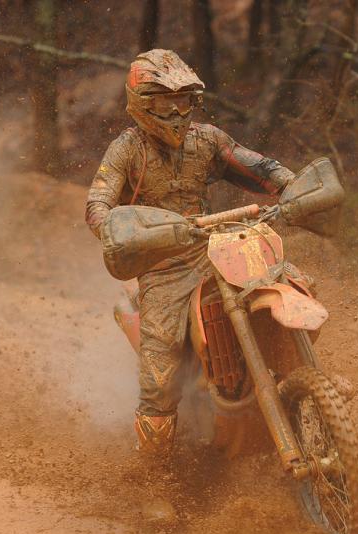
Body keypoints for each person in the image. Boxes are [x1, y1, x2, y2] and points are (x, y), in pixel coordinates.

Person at [85, 50, 294, 491]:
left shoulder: (207, 140)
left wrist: (294, 187)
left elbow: (257, 166)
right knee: (161, 371)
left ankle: (306, 389)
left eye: (184, 102)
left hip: (219, 245)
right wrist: (115, 229)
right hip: (163, 265)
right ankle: (155, 482)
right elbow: (97, 204)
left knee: (291, 280)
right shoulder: (126, 150)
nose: (177, 113)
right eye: (164, 104)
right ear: (142, 104)